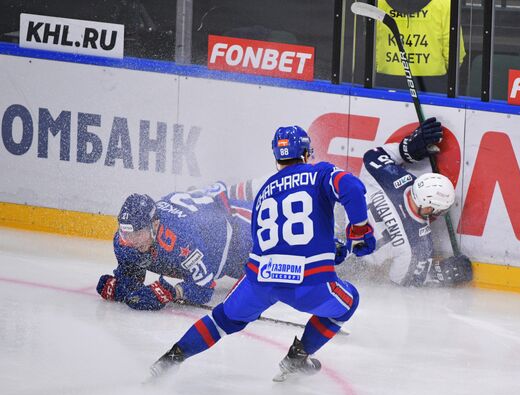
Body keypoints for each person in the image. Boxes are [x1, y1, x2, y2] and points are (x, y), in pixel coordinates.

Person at [148, 125, 376, 381]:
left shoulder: (266, 190)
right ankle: (297, 357)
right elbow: (352, 189)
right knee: (348, 302)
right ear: (305, 152)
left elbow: (270, 241)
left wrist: (328, 248)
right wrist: (359, 228)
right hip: (306, 281)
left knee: (221, 319)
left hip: (260, 280)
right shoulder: (318, 173)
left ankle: (170, 358)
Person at [96, 182, 253, 311]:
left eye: (138, 233)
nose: (132, 241)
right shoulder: (123, 243)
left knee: (267, 271)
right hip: (205, 215)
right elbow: (131, 277)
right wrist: (122, 287)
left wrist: (173, 292)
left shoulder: (181, 240)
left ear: (155, 226)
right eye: (126, 233)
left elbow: (204, 289)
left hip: (238, 234)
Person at [356, 116, 472, 287]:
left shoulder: (391, 177)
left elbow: (373, 156)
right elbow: (405, 280)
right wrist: (443, 271)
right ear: (430, 208)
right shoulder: (420, 244)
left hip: (332, 226)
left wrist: (407, 149)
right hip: (355, 263)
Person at [374, 0, 467, 93]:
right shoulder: (445, 3)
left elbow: (371, 47)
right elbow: (455, 56)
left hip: (385, 82)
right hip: (433, 85)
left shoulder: (378, 2)